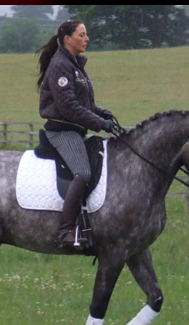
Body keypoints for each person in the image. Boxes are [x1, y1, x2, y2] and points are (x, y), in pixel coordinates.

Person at [36, 19, 116, 248]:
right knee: (82, 171)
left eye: (86, 34)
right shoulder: (60, 65)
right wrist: (99, 123)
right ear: (68, 39)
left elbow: (83, 102)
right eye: (82, 35)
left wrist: (102, 113)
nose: (87, 39)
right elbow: (68, 107)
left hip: (75, 128)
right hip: (62, 131)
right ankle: (65, 231)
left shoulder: (74, 64)